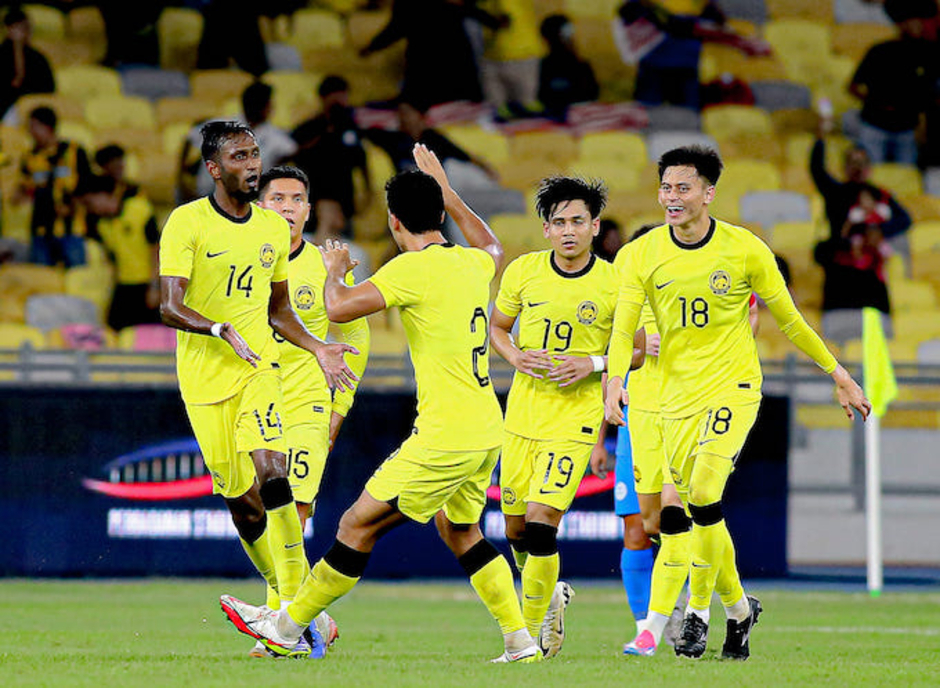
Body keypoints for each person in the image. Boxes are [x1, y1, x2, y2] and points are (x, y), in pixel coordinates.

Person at [221, 144, 541, 663]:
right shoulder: (471, 263)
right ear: (438, 213)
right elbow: (494, 245)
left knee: (354, 525)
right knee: (460, 530)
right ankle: (520, 640)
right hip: (486, 427)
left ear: (395, 222)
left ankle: (287, 625)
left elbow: (339, 307)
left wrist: (334, 268)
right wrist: (446, 187)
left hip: (446, 435)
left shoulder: (407, 271)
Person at [605, 145, 871, 660]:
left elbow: (790, 319)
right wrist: (616, 379)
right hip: (671, 399)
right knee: (692, 512)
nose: (672, 198)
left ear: (708, 193)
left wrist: (838, 373)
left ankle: (698, 614)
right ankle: (740, 610)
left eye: (683, 188)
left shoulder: (745, 249)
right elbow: (622, 327)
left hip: (733, 389)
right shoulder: (639, 255)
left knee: (702, 492)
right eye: (666, 188)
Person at [159, 121, 358, 657]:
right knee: (243, 508)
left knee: (275, 479)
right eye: (239, 156)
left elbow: (279, 312)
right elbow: (169, 305)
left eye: (254, 154)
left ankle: (289, 619)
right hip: (203, 379)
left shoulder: (270, 228)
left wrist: (317, 347)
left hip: (259, 372)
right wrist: (218, 327)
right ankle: (302, 614)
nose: (251, 163)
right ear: (214, 167)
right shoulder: (187, 222)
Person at [489, 176, 644, 659]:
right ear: (546, 229)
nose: (569, 230)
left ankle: (526, 642)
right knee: (514, 530)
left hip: (574, 419)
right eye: (559, 222)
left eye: (578, 220)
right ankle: (550, 592)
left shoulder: (617, 282)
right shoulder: (523, 272)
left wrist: (593, 364)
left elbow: (637, 351)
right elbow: (497, 327)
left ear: (595, 226)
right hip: (521, 416)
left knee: (540, 526)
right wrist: (513, 358)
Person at [248, 164, 371, 658]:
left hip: (308, 404)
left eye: (297, 199)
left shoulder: (327, 266)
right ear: (261, 206)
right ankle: (308, 615)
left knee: (294, 510)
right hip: (256, 402)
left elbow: (356, 336)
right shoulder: (245, 265)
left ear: (308, 209)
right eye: (277, 198)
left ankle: (285, 628)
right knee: (255, 513)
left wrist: (340, 406)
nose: (288, 208)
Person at [612, 0, 769, 109]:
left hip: (687, 67)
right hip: (653, 66)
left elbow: (715, 22)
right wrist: (662, 16)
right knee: (649, 118)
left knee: (688, 121)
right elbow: (627, 12)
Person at [848, 0, 937, 164]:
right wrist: (873, 103)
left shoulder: (927, 55)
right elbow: (853, 87)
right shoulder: (879, 51)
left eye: (918, 21)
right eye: (910, 21)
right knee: (872, 172)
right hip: (874, 125)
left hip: (906, 128)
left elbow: (930, 94)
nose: (915, 26)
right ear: (900, 24)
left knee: (906, 176)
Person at [84, 145, 161, 331]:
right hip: (123, 285)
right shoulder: (102, 225)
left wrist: (155, 287)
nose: (92, 208)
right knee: (113, 329)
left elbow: (156, 249)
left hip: (146, 285)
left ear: (106, 196)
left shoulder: (139, 209)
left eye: (94, 203)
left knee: (152, 333)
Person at [359, 0, 489, 110]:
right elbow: (396, 28)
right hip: (439, 56)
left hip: (435, 58)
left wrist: (371, 47)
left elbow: (396, 28)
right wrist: (373, 46)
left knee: (430, 101)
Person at [16, 106, 92, 267]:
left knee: (76, 281)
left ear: (48, 127)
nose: (31, 132)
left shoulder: (74, 151)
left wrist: (71, 205)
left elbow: (87, 186)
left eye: (34, 127)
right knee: (43, 283)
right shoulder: (30, 158)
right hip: (40, 232)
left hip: (72, 232)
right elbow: (24, 189)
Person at [292, 75, 371, 226]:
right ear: (323, 98)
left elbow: (362, 162)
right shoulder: (308, 129)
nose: (340, 99)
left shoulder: (352, 128)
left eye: (343, 94)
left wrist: (368, 193)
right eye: (335, 94)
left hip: (344, 202)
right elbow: (294, 157)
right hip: (314, 201)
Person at [479, 0, 544, 121]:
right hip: (503, 54)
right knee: (501, 108)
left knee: (522, 107)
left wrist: (469, 10)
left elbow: (504, 21)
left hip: (514, 54)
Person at [537, 13, 599, 122]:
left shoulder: (581, 66)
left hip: (580, 118)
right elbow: (543, 97)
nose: (571, 40)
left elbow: (591, 96)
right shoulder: (547, 65)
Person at [0, 6, 53, 122]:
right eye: (18, 28)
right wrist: (17, 48)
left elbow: (49, 89)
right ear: (7, 30)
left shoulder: (38, 58)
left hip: (33, 111)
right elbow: (14, 83)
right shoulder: (3, 55)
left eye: (26, 28)